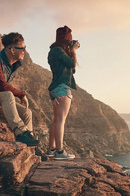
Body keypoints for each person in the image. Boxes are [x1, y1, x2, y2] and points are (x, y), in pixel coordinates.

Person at [47, 25, 80, 160]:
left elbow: (72, 69)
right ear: (67, 40)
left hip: (56, 88)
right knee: (61, 120)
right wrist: (73, 50)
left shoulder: (54, 52)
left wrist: (70, 50)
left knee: (56, 121)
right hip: (62, 88)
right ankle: (59, 152)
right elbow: (72, 64)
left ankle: (51, 149)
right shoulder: (59, 51)